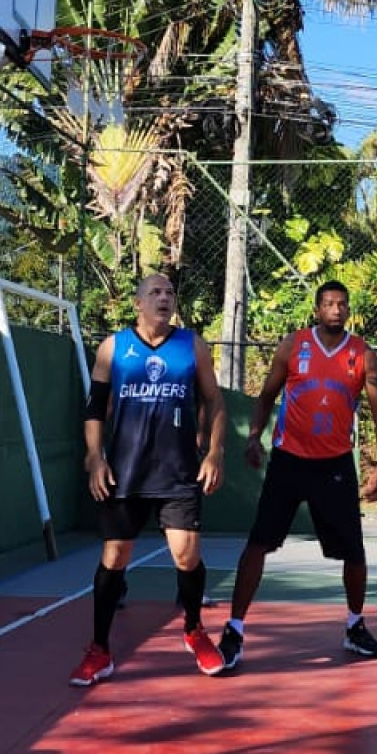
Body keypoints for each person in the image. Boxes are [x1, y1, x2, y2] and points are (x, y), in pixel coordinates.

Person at [216, 281, 377, 671]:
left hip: (335, 464)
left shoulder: (362, 354)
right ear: (317, 310)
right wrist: (253, 437)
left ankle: (355, 625)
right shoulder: (293, 346)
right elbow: (266, 396)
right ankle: (235, 628)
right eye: (328, 304)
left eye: (342, 304)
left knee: (354, 552)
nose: (335, 310)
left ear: (349, 310)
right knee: (258, 543)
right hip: (289, 461)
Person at [71, 269, 226, 685]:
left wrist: (214, 452)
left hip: (178, 472)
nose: (164, 298)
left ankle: (194, 630)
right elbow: (94, 409)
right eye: (155, 292)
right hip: (125, 473)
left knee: (186, 556)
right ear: (138, 303)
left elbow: (215, 402)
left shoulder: (192, 346)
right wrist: (95, 457)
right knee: (115, 557)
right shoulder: (113, 348)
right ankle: (99, 650)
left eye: (170, 292)